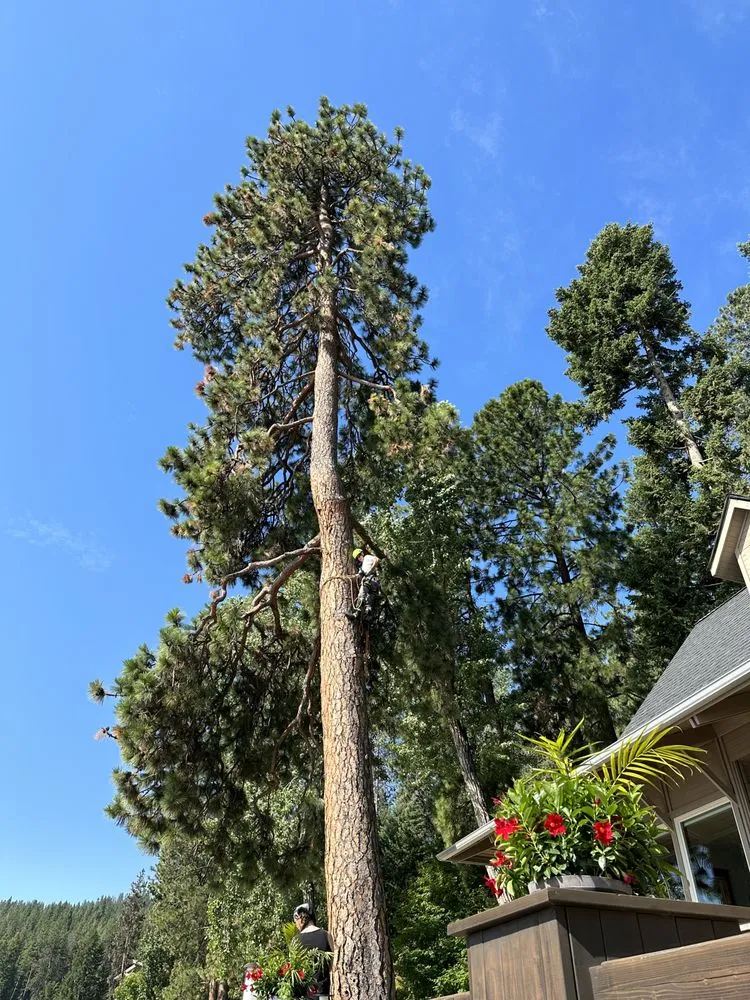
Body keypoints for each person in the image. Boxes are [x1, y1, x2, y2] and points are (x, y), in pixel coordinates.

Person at [292, 904, 332, 999]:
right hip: (323, 993)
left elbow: (294, 970)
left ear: (300, 918)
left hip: (304, 994)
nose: (296, 925)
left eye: (295, 921)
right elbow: (332, 967)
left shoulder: (295, 940)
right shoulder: (326, 935)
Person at [345, 548, 381, 622]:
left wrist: (371, 569)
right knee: (368, 599)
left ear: (362, 554)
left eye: (359, 556)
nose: (359, 558)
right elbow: (359, 575)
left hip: (371, 580)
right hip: (372, 582)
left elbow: (377, 559)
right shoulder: (362, 567)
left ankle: (356, 614)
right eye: (357, 558)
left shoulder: (367, 557)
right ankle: (367, 613)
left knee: (361, 594)